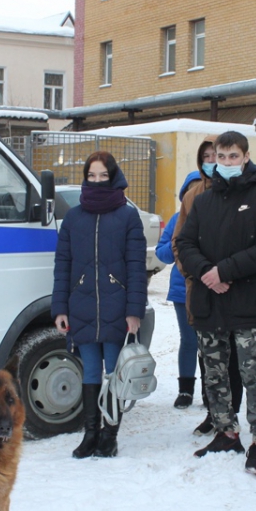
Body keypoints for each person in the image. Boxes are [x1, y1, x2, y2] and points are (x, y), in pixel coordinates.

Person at [177, 131, 256, 475]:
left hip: (246, 303)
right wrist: (207, 272)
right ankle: (226, 431)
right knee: (215, 374)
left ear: (246, 157)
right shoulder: (204, 201)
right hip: (210, 302)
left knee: (252, 374)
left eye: (232, 157)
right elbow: (184, 242)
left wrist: (225, 271)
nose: (225, 164)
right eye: (219, 158)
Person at [52, 151, 148, 460]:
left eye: (102, 175)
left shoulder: (127, 216)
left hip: (116, 308)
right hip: (81, 307)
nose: (96, 180)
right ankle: (90, 434)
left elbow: (136, 267)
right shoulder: (74, 217)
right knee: (90, 371)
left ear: (113, 176)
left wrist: (134, 312)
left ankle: (110, 435)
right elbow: (62, 265)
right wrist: (60, 308)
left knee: (114, 373)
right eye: (91, 175)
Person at [173, 137, 244, 436]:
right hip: (202, 288)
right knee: (208, 354)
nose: (214, 161)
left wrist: (228, 274)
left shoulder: (245, 193)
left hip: (235, 288)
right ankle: (212, 411)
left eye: (219, 155)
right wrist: (195, 275)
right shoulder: (194, 196)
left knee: (235, 356)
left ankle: (233, 413)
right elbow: (180, 242)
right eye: (207, 156)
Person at [156, 171, 202, 409]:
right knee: (189, 339)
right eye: (190, 191)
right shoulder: (176, 219)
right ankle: (186, 391)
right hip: (181, 290)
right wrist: (178, 244)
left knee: (210, 341)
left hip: (209, 287)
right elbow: (161, 253)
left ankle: (212, 390)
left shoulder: (214, 215)